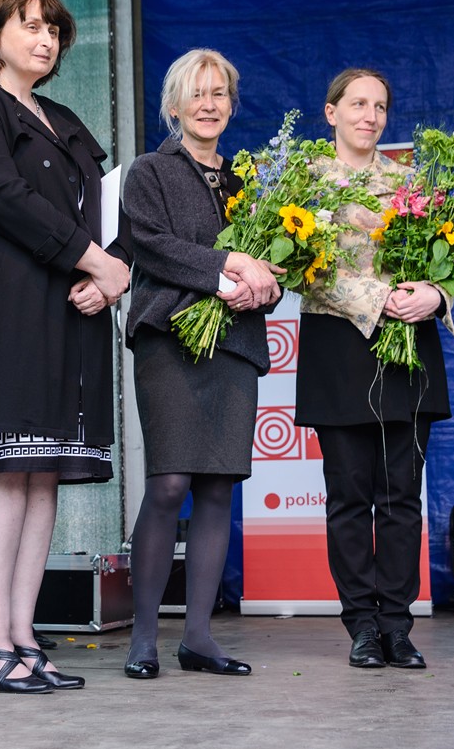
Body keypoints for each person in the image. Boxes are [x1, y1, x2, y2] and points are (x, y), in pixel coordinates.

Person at [0, 0, 132, 693]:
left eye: (54, 31)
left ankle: (22, 634)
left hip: (68, 313)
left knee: (43, 470)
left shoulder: (65, 119)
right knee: (4, 466)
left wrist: (110, 274)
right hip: (1, 311)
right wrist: (91, 259)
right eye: (30, 26)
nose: (46, 40)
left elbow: (108, 214)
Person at [121, 49, 281, 679]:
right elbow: (151, 246)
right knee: (169, 483)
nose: (208, 105)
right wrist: (227, 270)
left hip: (235, 344)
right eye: (197, 93)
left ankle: (198, 639)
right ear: (174, 105)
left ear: (232, 105)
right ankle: (143, 639)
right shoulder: (150, 171)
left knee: (218, 487)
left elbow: (275, 263)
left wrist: (261, 285)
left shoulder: (250, 183)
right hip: (170, 338)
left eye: (219, 94)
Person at [295, 68, 454, 670]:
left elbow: (450, 256)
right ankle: (361, 624)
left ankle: (397, 626)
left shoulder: (413, 182)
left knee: (401, 498)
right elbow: (299, 267)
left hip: (408, 346)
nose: (370, 116)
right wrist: (378, 298)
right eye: (358, 104)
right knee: (349, 498)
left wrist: (436, 295)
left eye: (380, 106)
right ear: (331, 112)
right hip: (339, 349)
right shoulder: (304, 182)